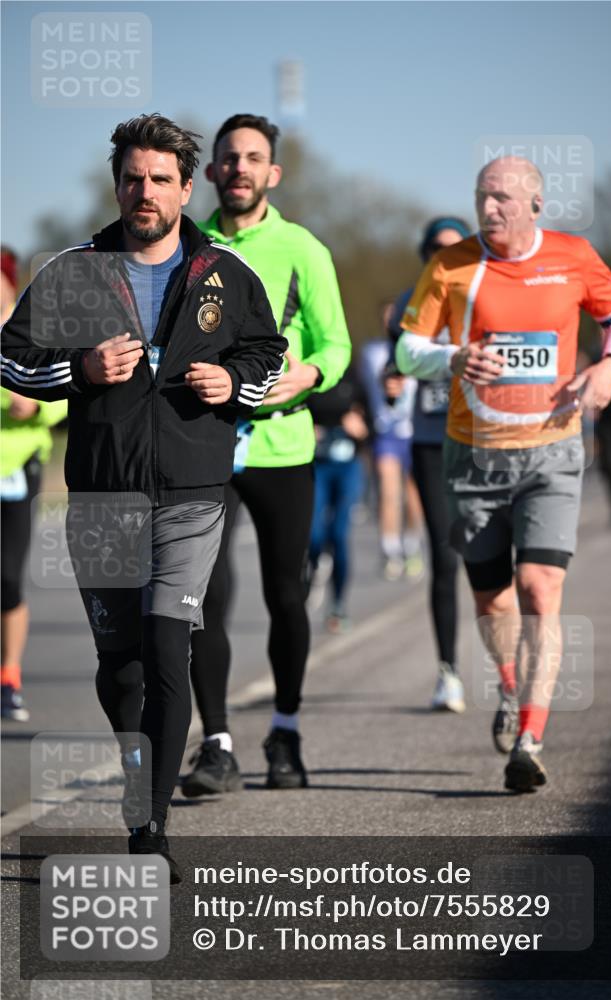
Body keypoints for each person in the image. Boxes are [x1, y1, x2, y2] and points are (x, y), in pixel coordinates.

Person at [1, 114, 287, 878]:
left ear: (185, 188)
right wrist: (78, 371)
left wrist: (235, 383)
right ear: (117, 183)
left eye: (161, 179)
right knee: (120, 665)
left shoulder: (223, 272)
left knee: (167, 645)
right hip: (100, 493)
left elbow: (266, 354)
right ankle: (140, 778)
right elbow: (13, 359)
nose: (146, 191)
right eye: (133, 177)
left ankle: (150, 823)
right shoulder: (73, 270)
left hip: (193, 491)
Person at [397, 156, 611, 792]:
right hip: (472, 454)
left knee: (538, 588)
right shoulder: (450, 265)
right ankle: (508, 685)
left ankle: (530, 739)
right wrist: (454, 357)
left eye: (503, 197)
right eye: (483, 195)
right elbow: (407, 349)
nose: (490, 207)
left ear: (535, 205)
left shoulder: (573, 256)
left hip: (551, 451)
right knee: (492, 597)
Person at [183, 114, 351, 798]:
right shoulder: (186, 248)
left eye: (255, 157)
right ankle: (216, 744)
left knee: (286, 594)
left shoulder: (303, 249)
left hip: (283, 442)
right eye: (230, 158)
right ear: (212, 173)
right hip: (205, 440)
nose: (242, 168)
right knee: (201, 595)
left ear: (272, 173)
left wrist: (307, 375)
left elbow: (335, 345)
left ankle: (284, 731)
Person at [387, 218, 471, 712]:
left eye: (454, 248)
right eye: (435, 249)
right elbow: (392, 369)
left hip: (484, 441)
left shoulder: (486, 297)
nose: (444, 256)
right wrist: (391, 385)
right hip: (430, 443)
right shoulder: (406, 304)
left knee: (491, 557)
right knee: (444, 558)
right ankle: (449, 672)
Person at [1, 248, 68, 720]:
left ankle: (9, 676)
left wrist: (38, 407)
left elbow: (66, 391)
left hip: (17, 466)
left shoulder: (30, 328)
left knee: (7, 577)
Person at [307, 366, 369, 632]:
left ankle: (338, 605)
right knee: (314, 534)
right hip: (318, 466)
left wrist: (360, 430)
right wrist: (309, 430)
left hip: (347, 468)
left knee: (339, 535)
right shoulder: (309, 377)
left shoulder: (354, 381)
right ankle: (315, 568)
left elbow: (371, 429)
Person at [359, 331, 424, 581]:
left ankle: (411, 543)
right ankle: (390, 550)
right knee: (388, 492)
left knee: (413, 495)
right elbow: (361, 386)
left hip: (413, 432)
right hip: (386, 432)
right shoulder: (372, 352)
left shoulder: (419, 350)